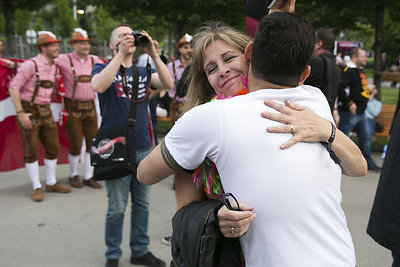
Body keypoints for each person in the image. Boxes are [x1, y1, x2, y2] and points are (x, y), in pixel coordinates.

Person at [137, 12, 365, 266]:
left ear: (249, 56)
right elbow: (178, 203)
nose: (222, 71)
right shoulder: (205, 121)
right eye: (211, 69)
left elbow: (358, 167)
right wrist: (216, 215)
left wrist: (326, 129)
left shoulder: (308, 101)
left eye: (228, 58)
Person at [91, 24, 172, 267]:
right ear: (111, 44)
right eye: (121, 36)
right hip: (115, 147)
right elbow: (98, 86)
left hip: (143, 147)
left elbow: (167, 82)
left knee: (142, 204)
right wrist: (119, 55)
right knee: (116, 207)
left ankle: (140, 250)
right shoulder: (102, 67)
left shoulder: (142, 70)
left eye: (131, 35)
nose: (128, 38)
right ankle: (112, 255)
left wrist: (153, 52)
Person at [8, 31, 71, 202]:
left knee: (53, 148)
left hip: (46, 110)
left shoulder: (54, 65)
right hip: (29, 110)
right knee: (31, 150)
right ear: (44, 48)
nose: (58, 48)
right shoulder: (31, 65)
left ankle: (51, 182)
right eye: (54, 45)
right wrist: (20, 113)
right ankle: (37, 186)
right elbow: (13, 88)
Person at [54, 28, 103, 189]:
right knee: (75, 143)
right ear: (73, 44)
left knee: (92, 143)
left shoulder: (95, 60)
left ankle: (88, 176)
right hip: (72, 107)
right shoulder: (63, 59)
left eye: (87, 43)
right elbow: (44, 63)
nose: (85, 46)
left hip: (90, 107)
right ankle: (73, 174)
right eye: (82, 43)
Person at [337, 47, 381, 171]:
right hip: (349, 113)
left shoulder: (359, 71)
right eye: (363, 56)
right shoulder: (349, 71)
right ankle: (338, 162)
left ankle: (368, 163)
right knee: (343, 138)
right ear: (355, 57)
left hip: (361, 113)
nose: (365, 58)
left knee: (365, 137)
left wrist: (370, 92)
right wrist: (349, 103)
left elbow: (358, 90)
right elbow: (340, 89)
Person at [304, 29, 341, 113]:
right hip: (326, 114)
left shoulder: (315, 63)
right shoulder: (336, 65)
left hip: (310, 113)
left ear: (319, 44)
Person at [167, 33, 192, 125]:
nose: (189, 50)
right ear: (180, 49)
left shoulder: (198, 67)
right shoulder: (171, 66)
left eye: (191, 47)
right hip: (176, 106)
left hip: (193, 106)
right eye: (186, 47)